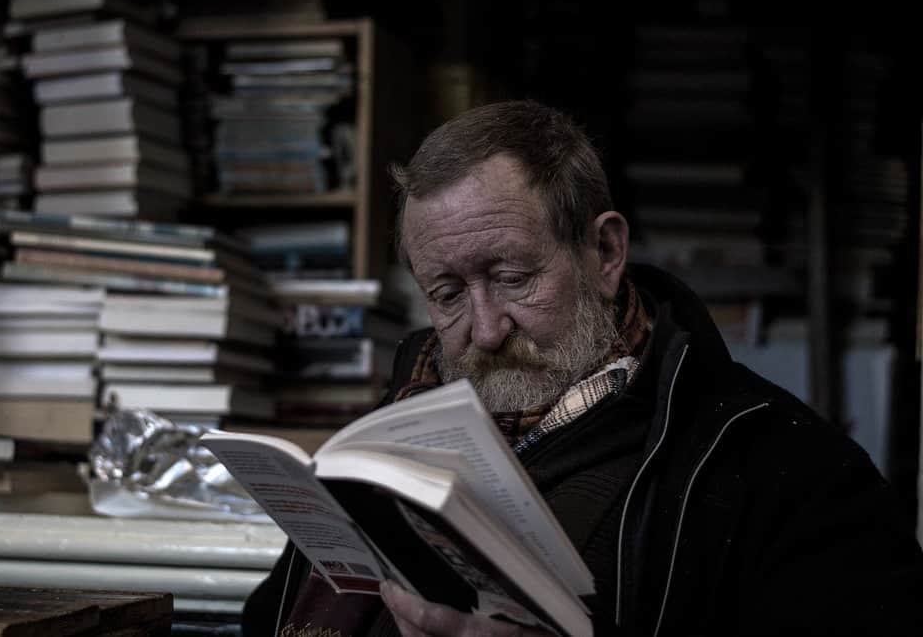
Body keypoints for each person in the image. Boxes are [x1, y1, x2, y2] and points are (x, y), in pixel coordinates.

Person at [243, 100, 923, 636]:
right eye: (447, 294)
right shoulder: (391, 432)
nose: (484, 329)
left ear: (605, 253)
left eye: (511, 277)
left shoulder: (787, 471)